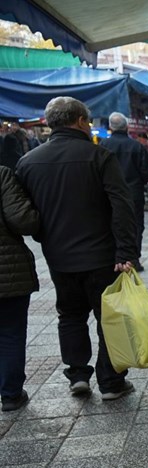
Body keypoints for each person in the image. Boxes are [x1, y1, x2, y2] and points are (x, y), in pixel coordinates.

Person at [16, 96, 138, 400]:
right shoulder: (99, 157)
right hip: (102, 256)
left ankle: (78, 375)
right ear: (81, 121)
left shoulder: (28, 162)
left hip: (59, 257)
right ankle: (111, 382)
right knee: (108, 318)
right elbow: (122, 206)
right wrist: (126, 252)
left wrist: (47, 236)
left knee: (69, 316)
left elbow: (25, 213)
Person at [0, 165, 41, 412]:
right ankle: (11, 394)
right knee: (10, 332)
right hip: (7, 271)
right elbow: (23, 220)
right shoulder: (2, 174)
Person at [101, 113, 148, 271]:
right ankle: (133, 259)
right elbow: (147, 171)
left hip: (108, 194)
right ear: (126, 127)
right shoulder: (136, 146)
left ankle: (114, 258)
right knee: (136, 226)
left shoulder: (103, 146)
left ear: (111, 127)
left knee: (110, 224)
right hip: (133, 193)